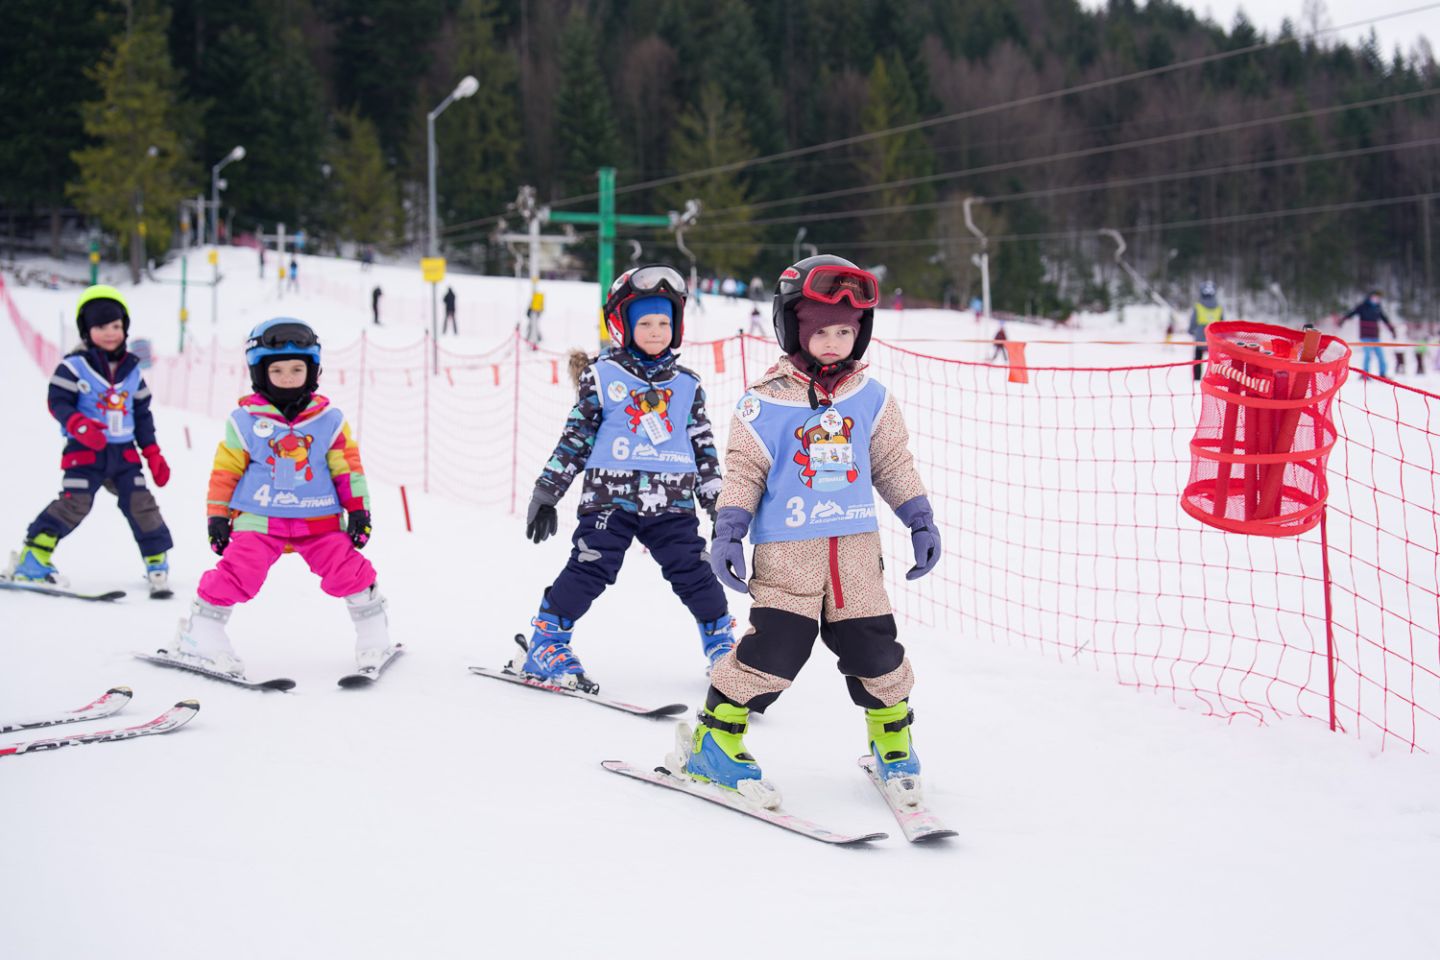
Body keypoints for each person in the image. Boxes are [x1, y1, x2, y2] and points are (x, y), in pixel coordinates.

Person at [681, 254, 942, 807]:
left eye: (845, 331)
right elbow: (744, 472)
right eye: (821, 331)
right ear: (792, 328)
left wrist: (919, 518)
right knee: (773, 652)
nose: (833, 342)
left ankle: (892, 742)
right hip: (787, 557)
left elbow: (892, 462)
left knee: (877, 651)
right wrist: (729, 530)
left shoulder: (871, 399)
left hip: (856, 559)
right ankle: (715, 741)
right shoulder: (762, 404)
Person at [518, 264, 733, 692]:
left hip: (672, 504)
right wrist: (547, 492)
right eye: (646, 323)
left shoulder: (688, 385)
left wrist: (719, 507)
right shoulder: (601, 376)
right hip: (609, 501)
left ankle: (722, 647)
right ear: (624, 325)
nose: (656, 332)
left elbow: (703, 449)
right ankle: (547, 642)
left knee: (695, 572)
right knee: (590, 566)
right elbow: (575, 439)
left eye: (664, 323)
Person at [168, 318, 390, 678]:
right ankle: (201, 634)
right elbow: (226, 472)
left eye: (297, 369)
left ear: (312, 371)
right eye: (277, 370)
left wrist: (358, 510)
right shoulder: (243, 422)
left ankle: (373, 633)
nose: (288, 377)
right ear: (260, 373)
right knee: (240, 569)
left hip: (317, 517)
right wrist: (218, 516)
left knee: (346, 568)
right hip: (259, 517)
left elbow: (347, 468)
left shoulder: (329, 421)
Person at [3, 286, 174, 593]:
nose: (110, 333)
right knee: (75, 502)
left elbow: (142, 414)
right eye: (101, 326)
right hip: (85, 452)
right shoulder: (74, 366)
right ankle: (33, 559)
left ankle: (156, 562)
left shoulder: (133, 371)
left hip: (124, 454)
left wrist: (152, 452)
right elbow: (57, 401)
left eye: (116, 326)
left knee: (140, 502)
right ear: (86, 330)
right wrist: (79, 425)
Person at [1341, 289, 1397, 377]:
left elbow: (1384, 319)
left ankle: (1382, 373)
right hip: (1365, 336)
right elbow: (1352, 313)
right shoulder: (1363, 306)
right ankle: (1365, 374)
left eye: (1378, 298)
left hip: (1375, 336)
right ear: (1370, 297)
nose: (1376, 299)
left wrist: (1392, 330)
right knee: (1367, 355)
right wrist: (1343, 320)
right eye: (1375, 297)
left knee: (1381, 355)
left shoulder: (1378, 308)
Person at [1188, 281, 1223, 382]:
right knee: (1215, 360)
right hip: (1214, 339)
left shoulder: (1198, 307)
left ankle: (1197, 378)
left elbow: (1193, 321)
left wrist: (1190, 330)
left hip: (1200, 338)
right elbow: (1222, 324)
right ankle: (1215, 378)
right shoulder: (1219, 308)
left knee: (1198, 359)